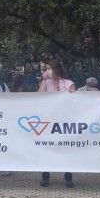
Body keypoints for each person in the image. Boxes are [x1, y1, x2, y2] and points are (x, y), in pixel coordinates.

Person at [38, 60, 75, 188]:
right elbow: (40, 97)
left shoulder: (68, 83)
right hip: (49, 121)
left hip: (64, 122)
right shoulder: (46, 82)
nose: (48, 71)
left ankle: (68, 176)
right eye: (46, 69)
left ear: (57, 70)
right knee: (47, 147)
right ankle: (45, 176)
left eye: (50, 69)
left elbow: (75, 99)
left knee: (66, 148)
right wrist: (44, 80)